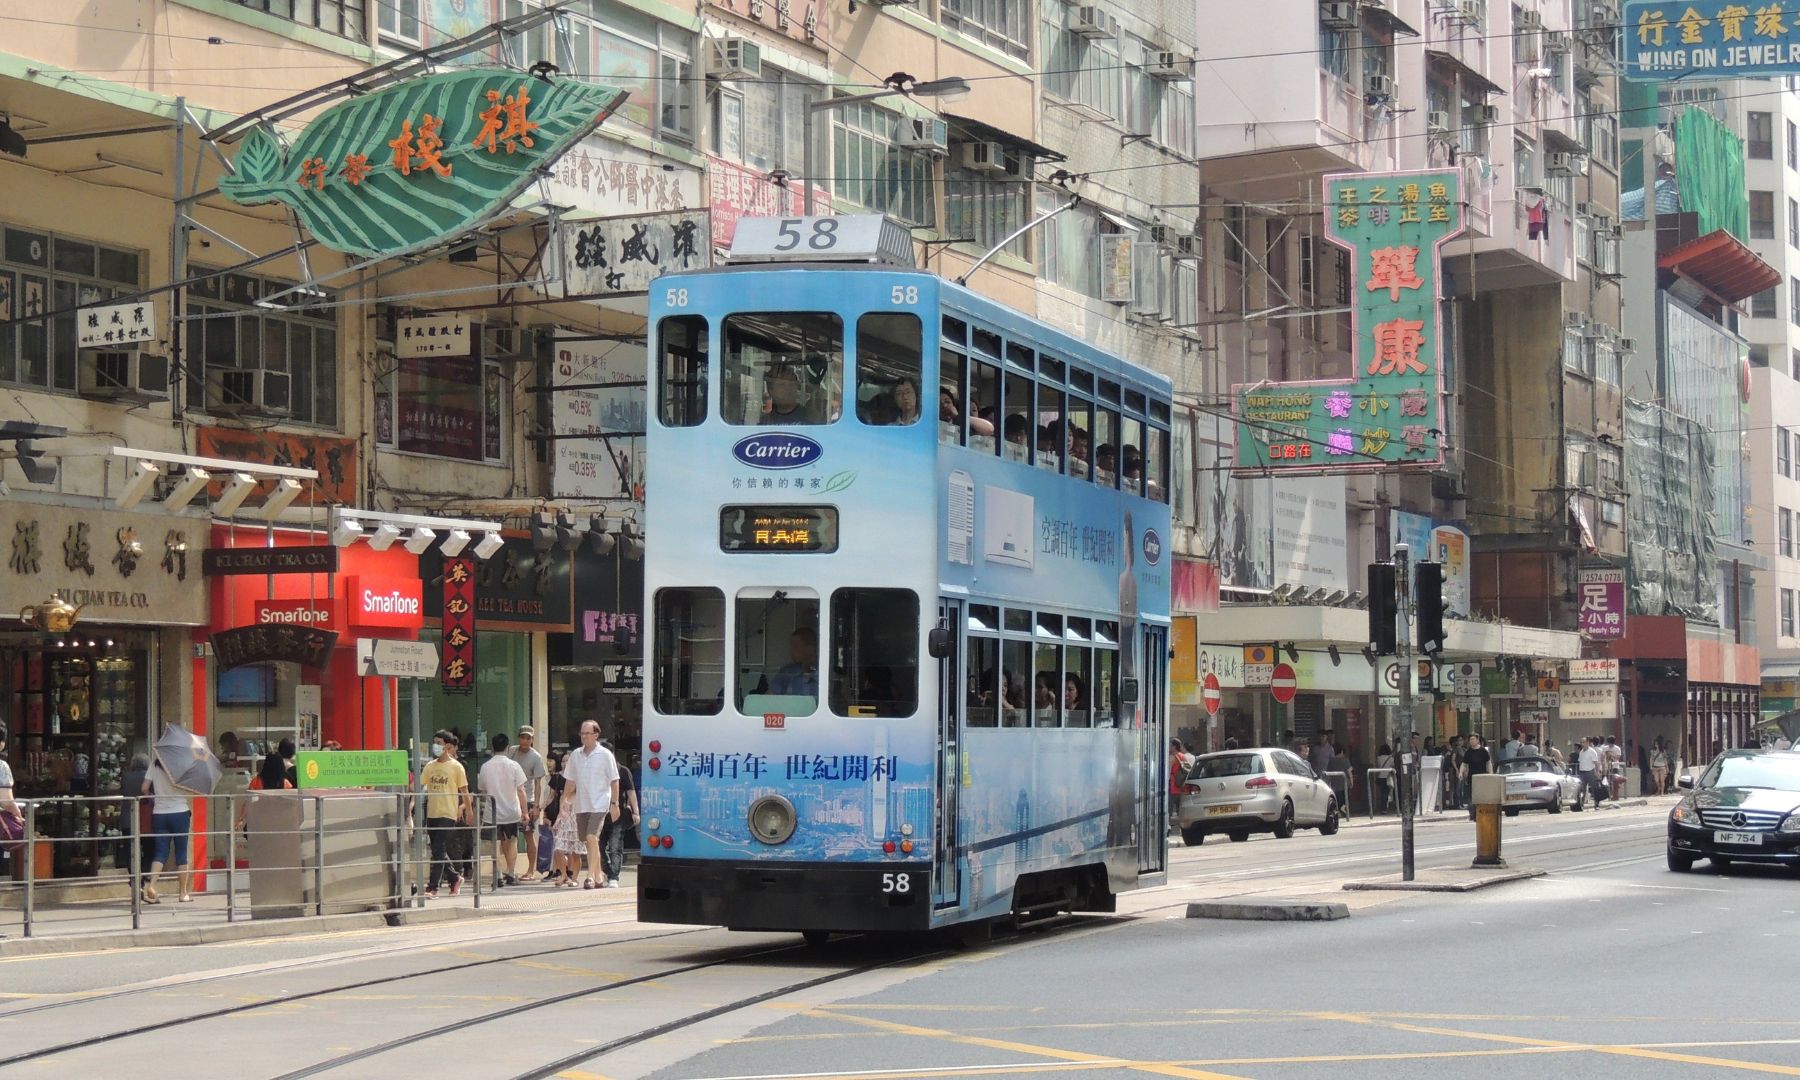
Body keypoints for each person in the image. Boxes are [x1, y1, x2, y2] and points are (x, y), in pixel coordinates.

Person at [566, 720, 621, 890]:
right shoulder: (576, 754)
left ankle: (589, 876)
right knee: (587, 840)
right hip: (582, 804)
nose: (584, 737)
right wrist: (564, 799)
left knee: (592, 837)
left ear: (596, 735)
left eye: (587, 733)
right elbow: (570, 780)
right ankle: (598, 875)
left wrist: (614, 803)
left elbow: (614, 781)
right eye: (582, 733)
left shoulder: (605, 755)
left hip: (600, 803)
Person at [420, 730, 471, 899]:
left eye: (439, 743)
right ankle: (455, 878)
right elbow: (420, 786)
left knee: (438, 848)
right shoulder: (430, 766)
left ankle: (433, 887)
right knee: (437, 849)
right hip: (432, 812)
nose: (436, 746)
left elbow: (464, 791)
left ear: (448, 746)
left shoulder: (456, 767)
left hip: (447, 813)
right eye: (435, 742)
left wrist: (468, 812)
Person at [143, 744, 194, 904]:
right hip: (180, 812)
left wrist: (154, 796)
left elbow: (144, 788)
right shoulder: (182, 765)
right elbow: (189, 789)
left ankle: (151, 886)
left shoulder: (155, 764)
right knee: (181, 853)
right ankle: (183, 893)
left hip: (159, 813)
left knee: (160, 852)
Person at [478, 733, 530, 889]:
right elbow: (521, 790)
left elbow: (482, 789)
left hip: (492, 812)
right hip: (511, 811)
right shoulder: (514, 766)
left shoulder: (486, 766)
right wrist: (525, 811)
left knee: (496, 844)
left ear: (493, 747)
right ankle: (512, 873)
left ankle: (498, 875)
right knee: (512, 842)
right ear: (507, 747)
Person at [598, 741, 641, 888]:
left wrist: (635, 811)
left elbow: (631, 791)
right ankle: (608, 870)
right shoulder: (596, 771)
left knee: (616, 845)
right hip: (599, 813)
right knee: (598, 845)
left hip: (618, 814)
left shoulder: (623, 771)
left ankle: (613, 876)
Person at [512, 726, 548, 882]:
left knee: (528, 835)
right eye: (522, 737)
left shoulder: (536, 757)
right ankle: (510, 870)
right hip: (510, 799)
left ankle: (531, 870)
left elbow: (539, 782)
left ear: (532, 740)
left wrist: (536, 806)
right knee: (509, 836)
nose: (525, 741)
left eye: (528, 738)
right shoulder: (512, 751)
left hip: (528, 799)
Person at [546, 750, 582, 887]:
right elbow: (557, 797)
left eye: (569, 761)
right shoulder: (558, 778)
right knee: (559, 847)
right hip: (565, 816)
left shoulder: (580, 777)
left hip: (577, 816)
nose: (565, 763)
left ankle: (575, 877)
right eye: (563, 761)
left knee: (576, 850)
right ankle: (563, 874)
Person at [236, 749, 292, 834]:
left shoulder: (257, 781)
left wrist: (240, 819)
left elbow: (248, 801)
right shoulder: (286, 784)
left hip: (259, 822)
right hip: (279, 824)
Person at [119, 752, 154, 886]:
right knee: (149, 848)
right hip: (146, 818)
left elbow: (122, 792)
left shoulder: (126, 777)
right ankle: (144, 873)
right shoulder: (149, 777)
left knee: (130, 851)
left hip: (128, 818)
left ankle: (134, 875)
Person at [769, 627, 820, 698]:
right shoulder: (787, 672)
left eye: (796, 646)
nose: (791, 651)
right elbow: (770, 698)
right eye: (791, 646)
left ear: (811, 648)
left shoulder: (826, 675)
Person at [1459, 734, 1491, 821]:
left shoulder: (1483, 751)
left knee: (1480, 797)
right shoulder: (1468, 752)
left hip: (1482, 777)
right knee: (1471, 797)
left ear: (1477, 740)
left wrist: (1490, 774)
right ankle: (1473, 814)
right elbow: (1464, 763)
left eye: (1473, 739)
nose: (1471, 741)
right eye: (1470, 740)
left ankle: (1479, 813)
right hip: (1472, 778)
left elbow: (1488, 763)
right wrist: (1461, 772)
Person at [1576, 736, 1607, 810]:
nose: (1582, 744)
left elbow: (1596, 763)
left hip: (1590, 772)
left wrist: (1597, 772)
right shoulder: (1581, 752)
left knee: (1594, 789)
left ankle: (1596, 805)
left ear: (1587, 743)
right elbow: (1581, 762)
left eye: (1583, 742)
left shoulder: (1592, 752)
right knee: (1582, 789)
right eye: (1581, 742)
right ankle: (1581, 805)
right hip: (1582, 773)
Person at [1375, 743, 1395, 812]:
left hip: (1380, 777)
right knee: (1386, 793)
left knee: (1382, 792)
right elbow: (1392, 766)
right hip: (1387, 777)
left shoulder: (1378, 758)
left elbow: (1378, 765)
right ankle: (1384, 808)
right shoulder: (1391, 758)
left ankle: (1382, 807)